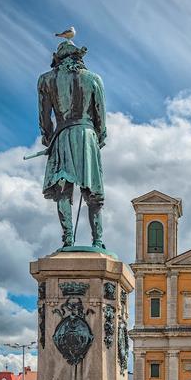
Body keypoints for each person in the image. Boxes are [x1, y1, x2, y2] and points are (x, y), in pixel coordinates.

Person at [38, 41, 107, 249]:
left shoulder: (46, 80)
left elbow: (44, 116)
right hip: (87, 136)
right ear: (79, 58)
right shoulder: (94, 79)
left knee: (63, 191)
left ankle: (67, 238)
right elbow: (100, 116)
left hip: (62, 135)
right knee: (93, 192)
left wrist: (48, 137)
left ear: (58, 59)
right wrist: (100, 137)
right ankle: (98, 240)